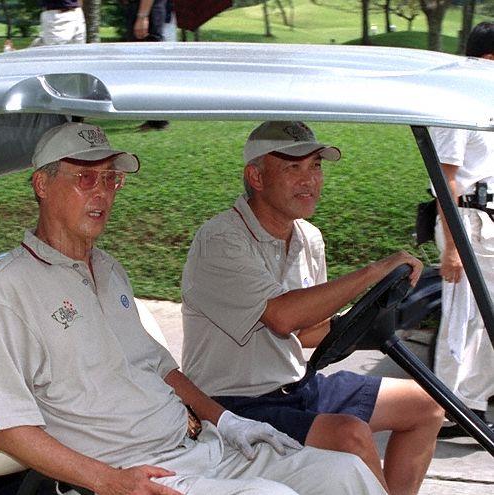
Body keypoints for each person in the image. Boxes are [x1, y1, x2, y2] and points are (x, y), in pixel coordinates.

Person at [0, 122, 387, 495]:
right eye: (85, 178)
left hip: (199, 448)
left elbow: (162, 368)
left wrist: (227, 422)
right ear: (42, 185)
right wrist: (109, 482)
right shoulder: (8, 292)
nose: (102, 193)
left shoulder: (108, 269)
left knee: (344, 471)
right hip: (133, 474)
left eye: (110, 179)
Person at [181, 121, 444, 495]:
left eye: (315, 166)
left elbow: (307, 332)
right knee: (351, 435)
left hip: (297, 388)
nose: (310, 180)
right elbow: (281, 316)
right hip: (234, 403)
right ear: (255, 176)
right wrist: (372, 273)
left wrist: (367, 322)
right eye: (293, 168)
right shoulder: (221, 240)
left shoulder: (308, 237)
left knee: (425, 406)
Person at [431, 21, 494, 438]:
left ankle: (475, 400)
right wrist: (452, 248)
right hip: (465, 224)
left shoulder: (485, 102)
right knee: (462, 320)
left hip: (488, 224)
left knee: (487, 323)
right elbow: (445, 178)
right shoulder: (457, 106)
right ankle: (450, 407)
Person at [123, 0, 169, 132]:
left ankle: (159, 120)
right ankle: (153, 119)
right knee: (144, 68)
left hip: (147, 11)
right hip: (143, 10)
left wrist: (142, 16)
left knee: (151, 67)